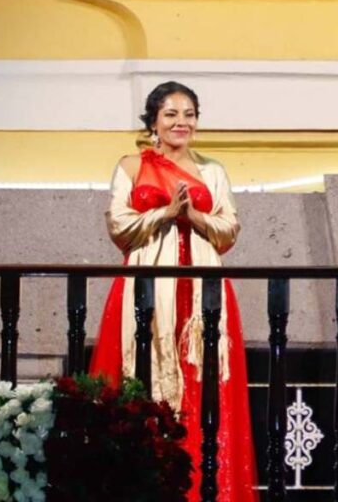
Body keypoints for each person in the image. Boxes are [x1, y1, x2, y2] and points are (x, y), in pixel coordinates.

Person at [89, 81, 258, 502]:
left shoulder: (213, 171)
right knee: (142, 384)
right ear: (153, 122)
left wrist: (194, 216)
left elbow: (228, 230)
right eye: (171, 114)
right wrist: (165, 213)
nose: (181, 122)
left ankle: (207, 489)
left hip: (203, 295)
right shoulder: (130, 167)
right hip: (147, 290)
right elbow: (120, 228)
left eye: (189, 114)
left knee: (204, 389)